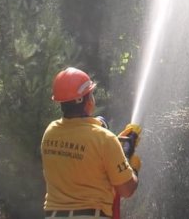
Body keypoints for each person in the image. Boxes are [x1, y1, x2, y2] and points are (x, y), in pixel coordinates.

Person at [41, 67, 140, 218]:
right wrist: (133, 168)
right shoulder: (105, 140)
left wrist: (115, 144)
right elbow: (126, 190)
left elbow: (83, 154)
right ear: (87, 102)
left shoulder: (50, 132)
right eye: (91, 94)